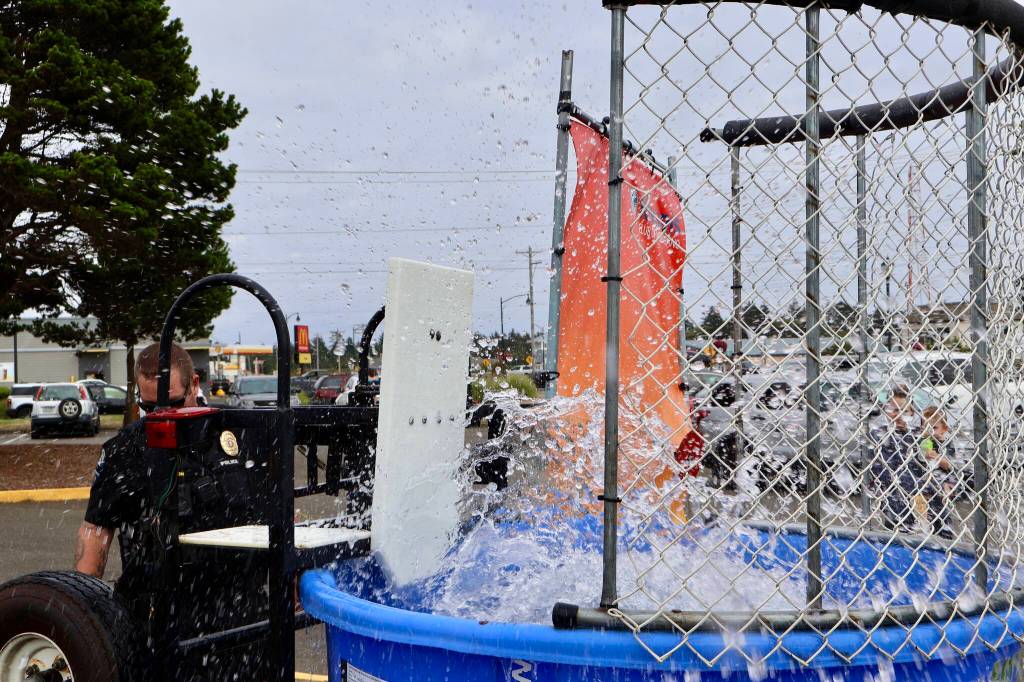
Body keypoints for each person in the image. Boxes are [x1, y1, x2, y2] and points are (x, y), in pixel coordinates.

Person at [75, 341, 266, 679]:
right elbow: (95, 537)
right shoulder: (124, 452)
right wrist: (79, 618)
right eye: (149, 408)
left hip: (239, 616)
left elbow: (272, 512)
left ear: (195, 385)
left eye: (171, 404)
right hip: (156, 624)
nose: (161, 417)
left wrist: (294, 576)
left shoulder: (237, 433)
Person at [871, 387, 923, 532]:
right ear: (886, 412)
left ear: (912, 413)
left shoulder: (919, 437)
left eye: (904, 411)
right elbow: (879, 470)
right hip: (892, 501)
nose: (899, 415)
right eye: (894, 410)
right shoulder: (878, 435)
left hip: (918, 499)